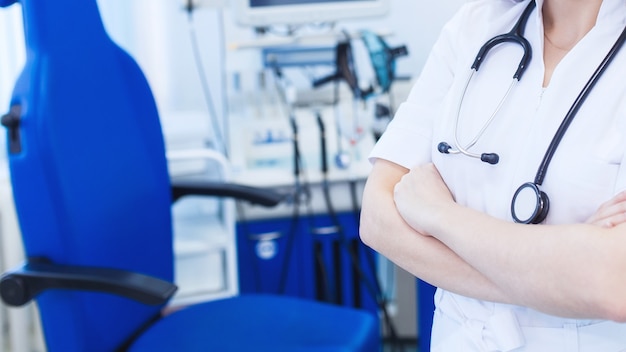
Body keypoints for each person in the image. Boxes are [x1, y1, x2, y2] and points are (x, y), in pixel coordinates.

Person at [359, 0, 626, 350]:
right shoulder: (475, 24)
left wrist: (439, 213)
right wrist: (559, 276)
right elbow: (378, 218)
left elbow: (613, 283)